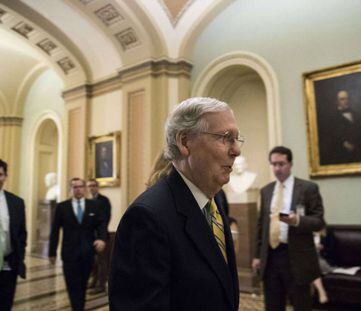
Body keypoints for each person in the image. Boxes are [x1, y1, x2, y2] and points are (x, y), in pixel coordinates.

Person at [109, 97, 242, 310]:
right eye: (225, 137)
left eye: (237, 139)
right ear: (185, 142)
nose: (236, 150)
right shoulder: (147, 218)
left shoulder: (211, 201)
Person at [252, 146, 325, 311]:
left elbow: (319, 222)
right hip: (270, 257)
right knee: (272, 305)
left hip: (296, 257)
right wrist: (257, 255)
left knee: (301, 305)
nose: (277, 168)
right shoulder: (266, 191)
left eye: (281, 164)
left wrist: (298, 220)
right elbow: (260, 225)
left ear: (290, 164)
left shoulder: (308, 188)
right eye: (274, 164)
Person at [49, 177, 107, 311]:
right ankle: (77, 307)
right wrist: (52, 252)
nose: (78, 189)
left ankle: (79, 306)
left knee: (82, 284)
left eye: (81, 186)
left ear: (85, 189)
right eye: (75, 187)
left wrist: (102, 238)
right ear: (71, 189)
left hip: (87, 253)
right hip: (69, 254)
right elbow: (55, 231)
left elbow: (101, 224)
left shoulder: (94, 206)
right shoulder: (62, 207)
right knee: (72, 285)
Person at [0, 159, 27, 311]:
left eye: (0, 174)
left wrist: (20, 255)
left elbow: (22, 233)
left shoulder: (16, 202)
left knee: (6, 302)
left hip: (9, 262)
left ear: (5, 176)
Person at [87, 179, 111, 294]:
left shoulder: (104, 200)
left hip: (101, 236)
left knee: (102, 262)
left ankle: (101, 285)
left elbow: (105, 219)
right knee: (93, 262)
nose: (91, 188)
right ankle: (94, 281)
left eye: (93, 185)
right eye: (89, 186)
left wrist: (101, 237)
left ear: (97, 187)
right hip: (91, 236)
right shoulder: (89, 201)